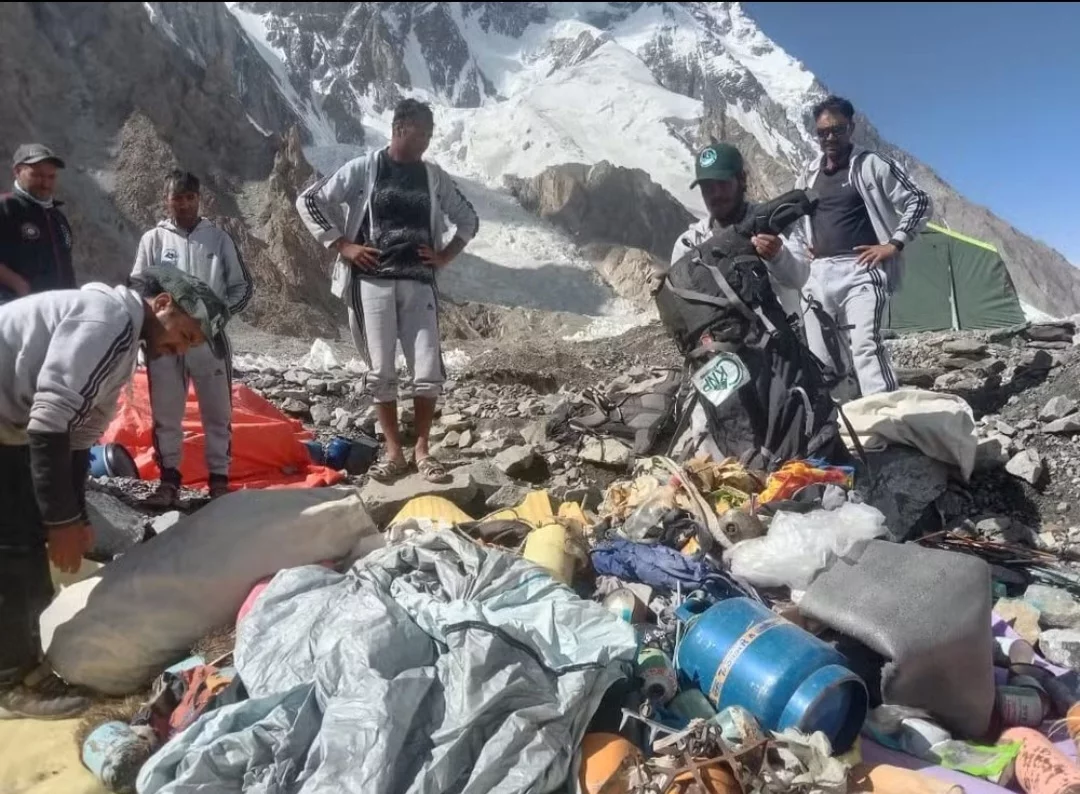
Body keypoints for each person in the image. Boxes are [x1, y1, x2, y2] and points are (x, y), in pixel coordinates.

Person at [0, 266, 229, 719]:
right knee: (17, 546)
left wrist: (75, 517)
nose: (177, 350)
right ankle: (12, 683)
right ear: (162, 304)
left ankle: (23, 659)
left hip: (12, 428)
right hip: (15, 426)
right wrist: (60, 521)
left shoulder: (123, 338)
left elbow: (79, 437)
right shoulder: (107, 319)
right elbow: (50, 422)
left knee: (24, 534)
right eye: (183, 335)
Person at [296, 98, 479, 483]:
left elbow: (468, 219)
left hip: (418, 282)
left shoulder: (433, 176)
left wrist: (444, 256)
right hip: (372, 281)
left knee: (427, 368)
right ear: (399, 130)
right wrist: (342, 245)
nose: (426, 141)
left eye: (430, 134)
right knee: (381, 370)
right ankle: (394, 452)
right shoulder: (365, 168)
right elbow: (310, 200)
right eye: (421, 133)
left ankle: (423, 449)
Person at [784, 95, 933, 396]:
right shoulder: (809, 174)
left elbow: (919, 201)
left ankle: (888, 419)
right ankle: (842, 423)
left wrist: (893, 244)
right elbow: (797, 219)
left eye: (837, 129)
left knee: (866, 345)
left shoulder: (871, 164)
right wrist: (805, 250)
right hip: (818, 273)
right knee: (821, 353)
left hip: (861, 270)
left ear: (851, 128)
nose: (830, 137)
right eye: (823, 132)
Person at [132, 170, 254, 507]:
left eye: (189, 197)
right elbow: (138, 284)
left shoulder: (218, 238)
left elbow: (242, 286)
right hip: (165, 342)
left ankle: (218, 481)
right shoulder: (153, 239)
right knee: (165, 411)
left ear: (199, 199)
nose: (183, 204)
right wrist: (158, 316)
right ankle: (169, 480)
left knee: (218, 412)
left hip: (209, 341)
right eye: (177, 197)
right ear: (166, 198)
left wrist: (218, 316)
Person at [671, 142, 806, 297]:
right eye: (707, 187)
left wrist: (778, 257)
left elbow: (799, 279)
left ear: (742, 179)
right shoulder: (689, 243)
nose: (715, 194)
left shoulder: (773, 220)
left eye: (722, 183)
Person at [0, 144, 76, 305]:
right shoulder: (5, 206)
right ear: (17, 171)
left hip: (58, 311)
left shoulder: (58, 217)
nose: (45, 183)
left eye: (51, 177)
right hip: (14, 309)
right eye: (38, 175)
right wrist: (16, 283)